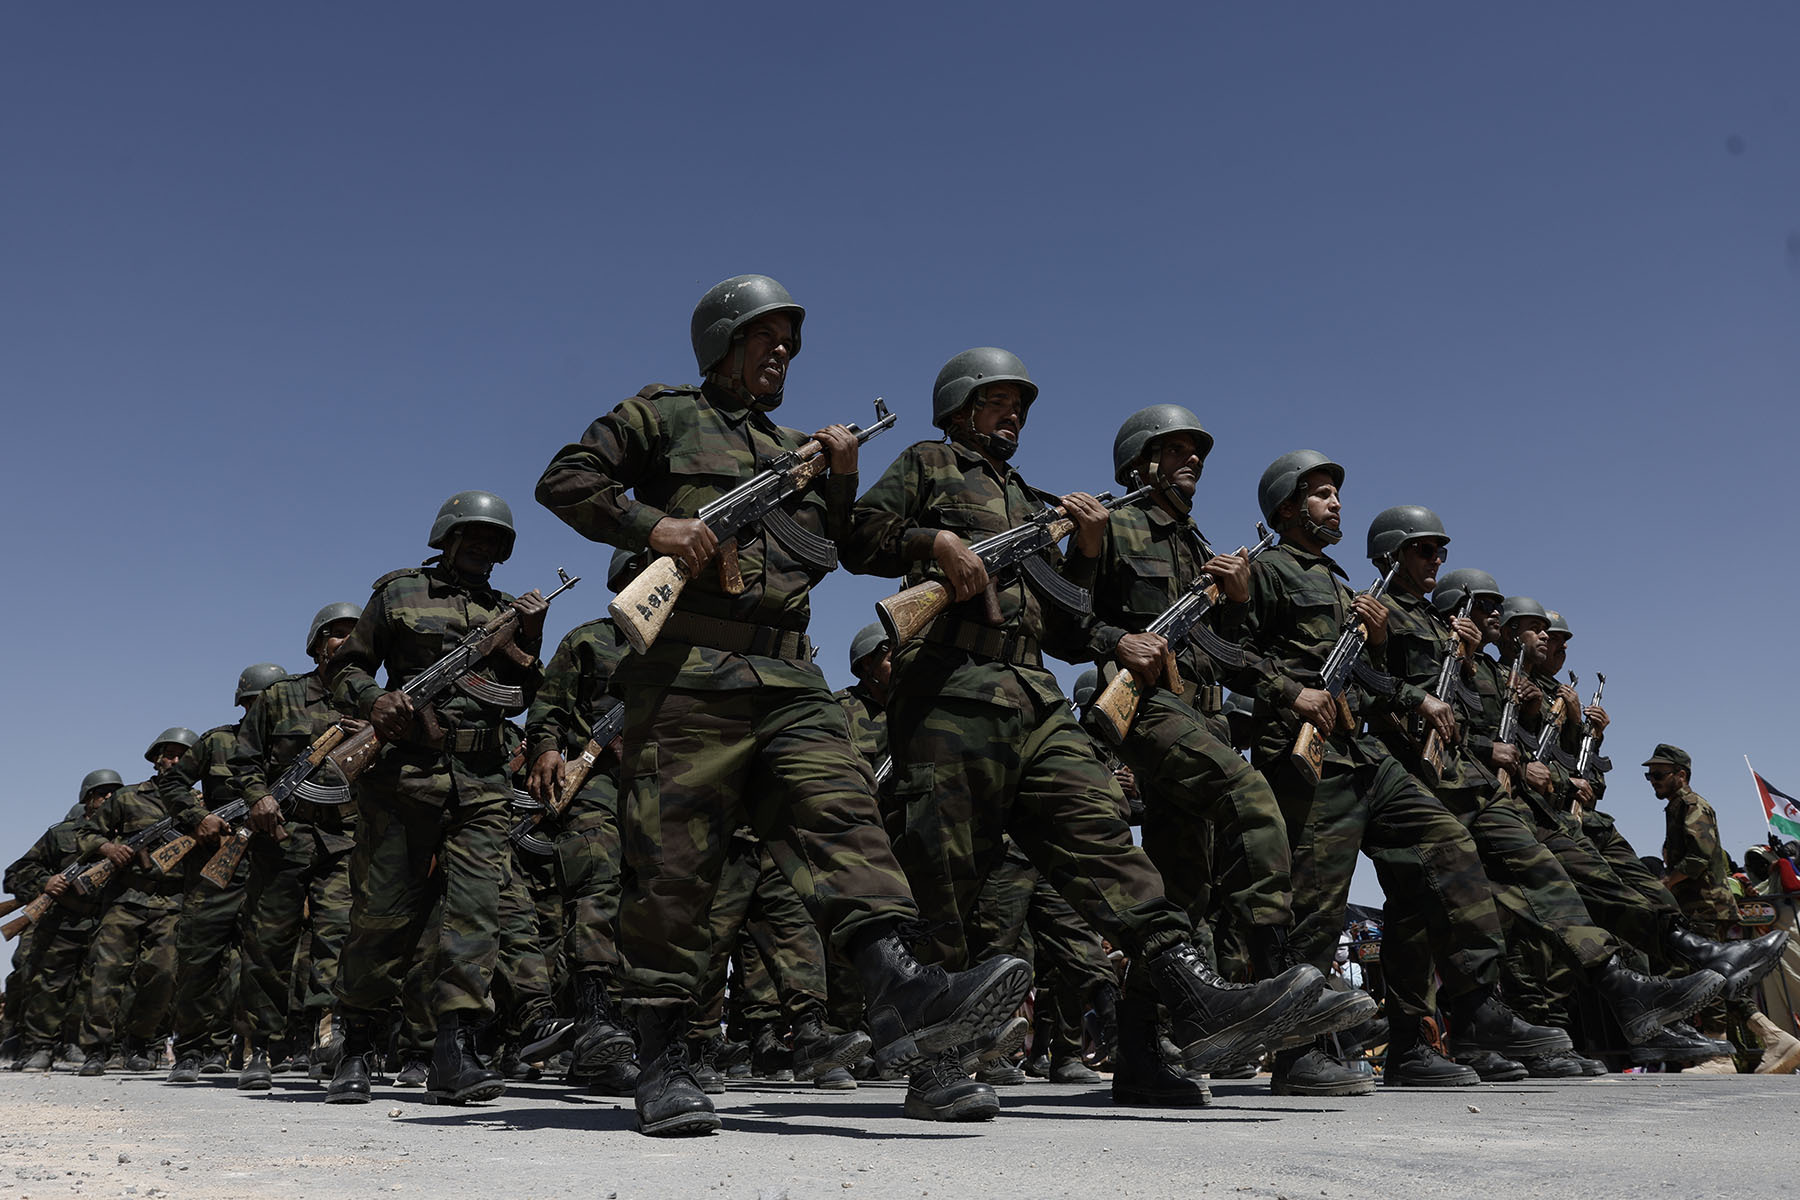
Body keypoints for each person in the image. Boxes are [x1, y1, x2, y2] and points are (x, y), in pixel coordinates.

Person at [536, 274, 1031, 1136]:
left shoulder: (796, 446)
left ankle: (904, 988)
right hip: (689, 674)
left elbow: (841, 550)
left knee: (844, 818)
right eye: (765, 338)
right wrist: (655, 528)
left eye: (790, 344)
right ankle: (663, 1058)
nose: (781, 354)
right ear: (722, 341)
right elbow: (567, 479)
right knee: (676, 872)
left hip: (789, 678)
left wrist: (839, 479)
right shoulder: (662, 414)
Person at [846, 348, 1322, 1118]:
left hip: (1033, 697)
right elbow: (859, 535)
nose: (1014, 417)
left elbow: (1072, 627)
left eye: (1021, 407)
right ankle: (938, 1064)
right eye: (998, 402)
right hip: (949, 691)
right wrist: (933, 544)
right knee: (948, 877)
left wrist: (1090, 551)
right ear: (961, 407)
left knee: (1101, 838)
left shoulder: (1035, 504)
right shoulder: (929, 462)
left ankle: (1196, 996)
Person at [1235, 451, 1571, 1097]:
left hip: (1364, 753)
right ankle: (1296, 1054)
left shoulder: (1338, 582)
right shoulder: (1268, 570)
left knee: (1449, 847)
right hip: (1309, 756)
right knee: (1314, 907)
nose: (1337, 505)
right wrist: (1288, 692)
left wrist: (1388, 654)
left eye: (1337, 495)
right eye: (1323, 495)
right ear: (1285, 506)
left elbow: (1364, 674)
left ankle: (1473, 1008)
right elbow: (1228, 650)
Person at [1361, 509, 1723, 1081]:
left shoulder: (1450, 639)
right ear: (1393, 554)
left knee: (1532, 880)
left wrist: (1556, 725)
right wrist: (1394, 656)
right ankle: (1424, 1037)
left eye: (1440, 553)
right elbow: (1372, 688)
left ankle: (1624, 982)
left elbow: (1479, 725)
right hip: (1404, 779)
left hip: (1464, 786)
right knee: (1417, 914)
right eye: (1425, 550)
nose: (1493, 621)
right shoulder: (1382, 610)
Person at [1082, 406, 1375, 1075]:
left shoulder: (1195, 543)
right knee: (1251, 799)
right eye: (1176, 449)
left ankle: (1138, 1053)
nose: (1194, 460)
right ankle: (1277, 985)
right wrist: (1106, 611)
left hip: (1200, 714)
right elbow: (1072, 616)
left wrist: (1237, 599)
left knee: (1182, 890)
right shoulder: (1117, 523)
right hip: (1149, 708)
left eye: (1197, 451)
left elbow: (1227, 649)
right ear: (1139, 461)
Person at [323, 490, 549, 1107]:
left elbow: (520, 695)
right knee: (382, 917)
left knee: (476, 914)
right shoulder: (399, 592)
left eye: (493, 540)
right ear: (446, 537)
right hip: (403, 778)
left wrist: (530, 637)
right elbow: (345, 669)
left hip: (481, 779)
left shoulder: (507, 610)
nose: (482, 547)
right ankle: (358, 1045)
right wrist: (375, 701)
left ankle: (456, 1048)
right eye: (471, 536)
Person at [227, 604, 364, 1090]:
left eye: (355, 634)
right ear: (316, 643)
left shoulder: (375, 701)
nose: (346, 642)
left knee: (341, 937)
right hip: (282, 838)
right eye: (337, 634)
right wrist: (259, 797)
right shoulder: (280, 698)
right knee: (268, 945)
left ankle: (327, 1035)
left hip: (346, 839)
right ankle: (259, 1046)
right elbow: (242, 762)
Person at [523, 615, 637, 1093]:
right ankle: (592, 1019)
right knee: (598, 886)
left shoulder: (694, 640)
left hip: (663, 784)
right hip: (598, 786)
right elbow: (547, 707)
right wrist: (549, 750)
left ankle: (633, 1036)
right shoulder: (590, 640)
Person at [159, 663, 287, 1082]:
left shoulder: (290, 748)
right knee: (199, 958)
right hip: (216, 870)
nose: (261, 710)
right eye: (255, 703)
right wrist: (198, 817)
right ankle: (195, 1049)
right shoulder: (217, 742)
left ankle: (258, 1050)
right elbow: (173, 785)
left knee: (263, 960)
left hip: (270, 864)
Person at [72, 728, 200, 1075]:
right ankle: (96, 1049)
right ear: (157, 759)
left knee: (162, 975)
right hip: (125, 899)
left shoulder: (199, 803)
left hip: (172, 901)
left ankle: (140, 1042)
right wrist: (109, 848)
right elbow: (86, 832)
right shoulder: (127, 798)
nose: (174, 761)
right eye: (168, 754)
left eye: (182, 755)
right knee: (107, 975)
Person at [4, 771, 119, 1070]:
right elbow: (16, 873)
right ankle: (39, 1046)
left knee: (93, 987)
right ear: (88, 798)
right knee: (49, 985)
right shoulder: (61, 834)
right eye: (101, 793)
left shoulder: (123, 838)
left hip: (104, 923)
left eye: (113, 794)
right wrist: (45, 882)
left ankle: (76, 1044)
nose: (108, 798)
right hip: (61, 923)